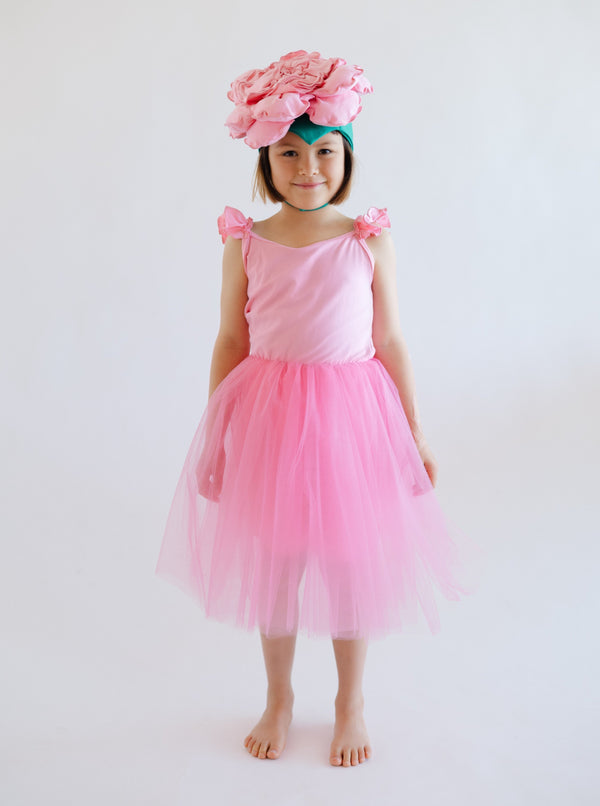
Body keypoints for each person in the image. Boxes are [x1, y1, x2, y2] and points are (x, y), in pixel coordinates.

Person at [155, 50, 471, 768]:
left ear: (347, 156)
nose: (309, 169)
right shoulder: (248, 243)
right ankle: (278, 696)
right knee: (277, 566)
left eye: (325, 152)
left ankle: (349, 701)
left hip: (352, 421)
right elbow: (231, 337)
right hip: (269, 420)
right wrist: (215, 437)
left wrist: (412, 432)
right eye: (290, 154)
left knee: (351, 563)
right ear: (266, 161)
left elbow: (388, 338)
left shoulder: (366, 238)